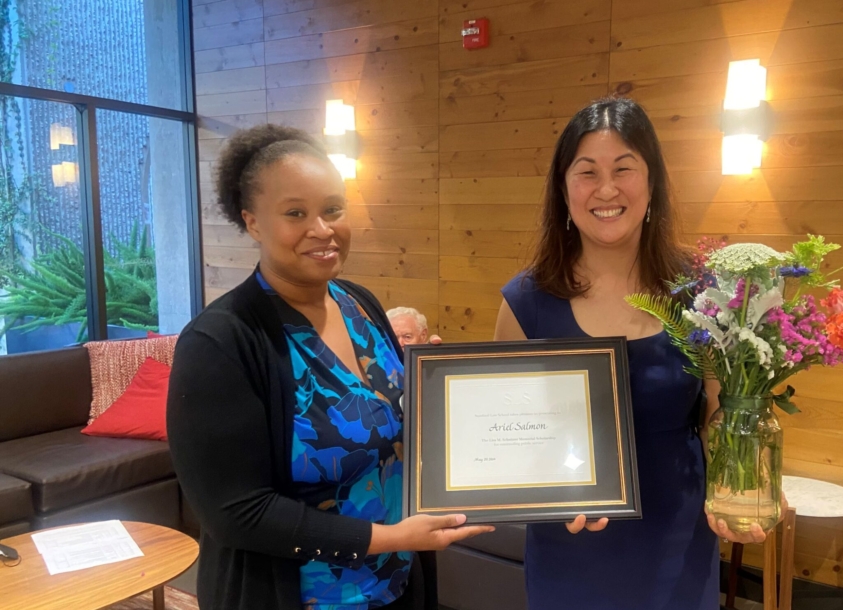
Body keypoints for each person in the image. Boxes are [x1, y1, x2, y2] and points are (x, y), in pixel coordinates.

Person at [166, 124, 492, 610]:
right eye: (295, 213)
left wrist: (434, 391)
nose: (322, 230)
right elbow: (237, 513)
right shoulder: (220, 342)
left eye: (333, 210)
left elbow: (392, 431)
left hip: (397, 584)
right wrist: (391, 537)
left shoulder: (361, 304)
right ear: (252, 221)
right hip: (299, 597)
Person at [494, 97, 770, 610]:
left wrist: (743, 484)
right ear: (563, 188)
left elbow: (719, 412)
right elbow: (508, 431)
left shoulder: (700, 293)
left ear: (653, 184)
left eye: (624, 169)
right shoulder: (525, 302)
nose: (606, 189)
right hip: (569, 546)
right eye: (587, 172)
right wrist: (545, 491)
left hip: (678, 540)